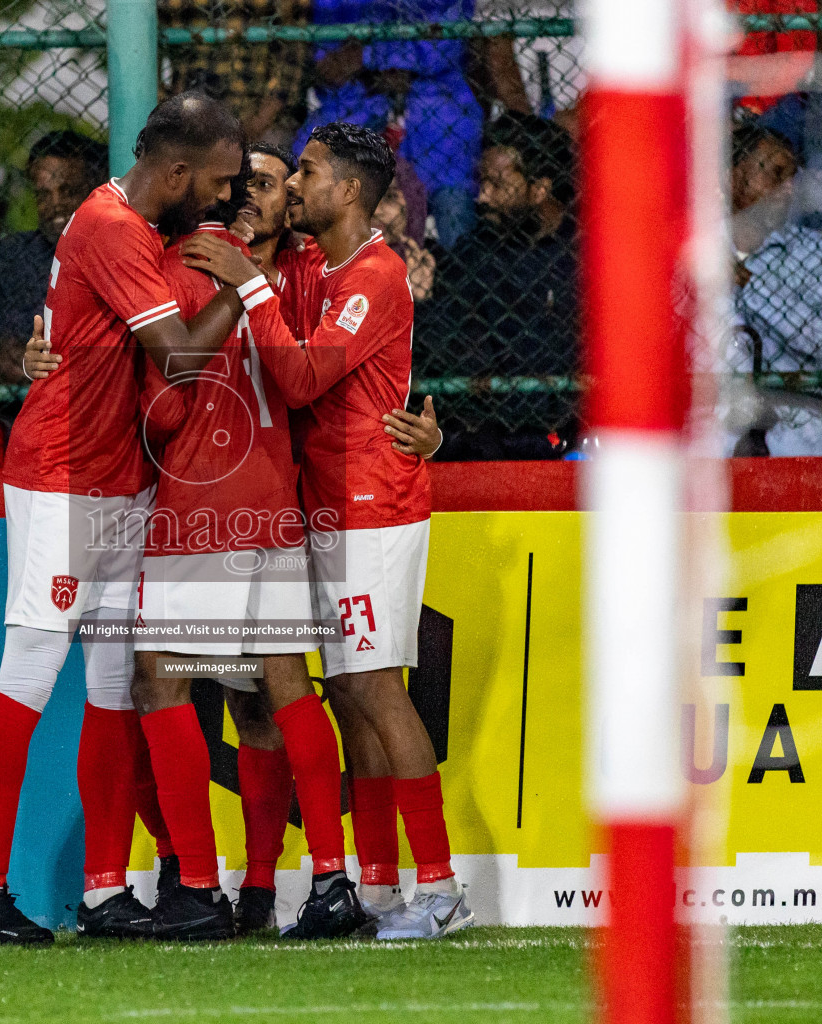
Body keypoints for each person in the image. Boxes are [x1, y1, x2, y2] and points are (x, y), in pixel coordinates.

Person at [0, 92, 248, 946]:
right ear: (179, 171)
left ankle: (103, 888)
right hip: (64, 476)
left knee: (114, 685)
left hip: (118, 477)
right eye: (221, 181)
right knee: (30, 670)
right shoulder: (115, 228)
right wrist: (249, 288)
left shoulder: (133, 229)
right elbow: (183, 358)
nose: (226, 196)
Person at [181, 122, 471, 940]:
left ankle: (441, 887)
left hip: (371, 506)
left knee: (377, 687)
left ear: (347, 190)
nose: (294, 184)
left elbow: (305, 375)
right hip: (323, 506)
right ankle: (378, 884)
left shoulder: (373, 275)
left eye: (305, 172)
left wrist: (250, 284)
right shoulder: (325, 266)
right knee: (348, 691)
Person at [130, 181, 363, 941]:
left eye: (269, 183)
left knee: (159, 682)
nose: (259, 194)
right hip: (276, 506)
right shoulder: (308, 277)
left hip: (203, 513)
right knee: (272, 695)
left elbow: (164, 403)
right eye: (252, 182)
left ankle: (196, 884)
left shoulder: (187, 266)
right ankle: (303, 883)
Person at [431, 111, 578, 460]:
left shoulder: (588, 252)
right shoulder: (474, 253)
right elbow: (452, 350)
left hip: (578, 432)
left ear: (539, 189)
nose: (482, 198)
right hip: (494, 436)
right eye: (482, 182)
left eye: (497, 184)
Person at [295, 0, 483, 249]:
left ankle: (460, 281)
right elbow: (330, 66)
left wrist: (367, 54)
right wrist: (396, 56)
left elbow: (441, 51)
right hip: (356, 102)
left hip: (434, 109)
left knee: (453, 201)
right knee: (311, 156)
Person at [724, 124, 822, 457]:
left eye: (794, 177)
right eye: (777, 173)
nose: (789, 188)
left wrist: (752, 285)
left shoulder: (815, 252)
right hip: (709, 418)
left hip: (795, 420)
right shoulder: (690, 250)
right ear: (732, 177)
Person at [0, 131, 108, 383]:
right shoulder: (14, 256)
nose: (55, 204)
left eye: (68, 191)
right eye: (43, 195)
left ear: (97, 188)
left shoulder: (122, 251)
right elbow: (9, 358)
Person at [157, 0, 311, 145]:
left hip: (260, 108)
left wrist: (262, 117)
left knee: (266, 160)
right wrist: (172, 109)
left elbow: (294, 49)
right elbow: (147, 45)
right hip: (188, 109)